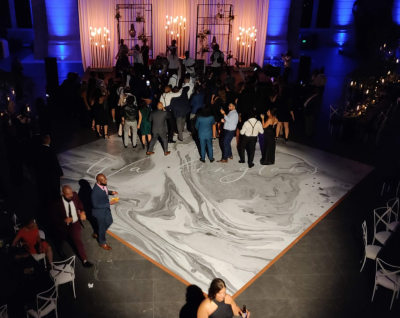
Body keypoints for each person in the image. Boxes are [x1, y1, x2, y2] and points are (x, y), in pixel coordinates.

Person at [50, 185, 93, 267]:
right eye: (68, 194)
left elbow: (80, 205)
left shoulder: (75, 195)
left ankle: (84, 260)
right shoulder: (57, 203)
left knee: (77, 240)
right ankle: (59, 250)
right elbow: (53, 216)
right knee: (60, 239)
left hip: (75, 224)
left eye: (71, 193)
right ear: (63, 193)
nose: (71, 195)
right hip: (63, 226)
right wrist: (64, 220)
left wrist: (82, 212)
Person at [33, 135, 64, 203]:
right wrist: (60, 173)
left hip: (41, 175)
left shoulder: (37, 150)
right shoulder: (50, 151)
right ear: (48, 140)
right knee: (54, 191)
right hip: (52, 176)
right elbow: (55, 163)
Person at [91, 174, 118, 250]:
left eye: (106, 179)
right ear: (98, 182)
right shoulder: (95, 192)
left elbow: (105, 191)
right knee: (102, 228)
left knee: (110, 221)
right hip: (99, 213)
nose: (106, 181)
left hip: (105, 209)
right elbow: (95, 205)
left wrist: (111, 192)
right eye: (104, 180)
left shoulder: (103, 185)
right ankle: (102, 243)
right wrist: (108, 203)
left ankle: (98, 232)